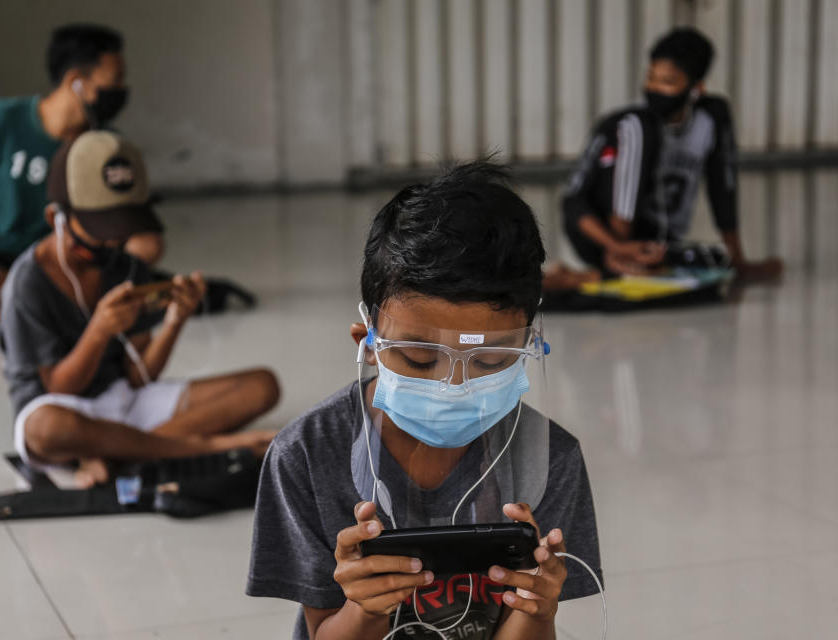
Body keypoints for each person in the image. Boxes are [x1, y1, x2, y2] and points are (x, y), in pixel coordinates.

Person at [247, 162, 601, 639]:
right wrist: (364, 608)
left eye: (491, 362)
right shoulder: (308, 456)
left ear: (527, 348)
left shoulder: (548, 460)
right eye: (418, 359)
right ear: (367, 343)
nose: (453, 387)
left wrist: (536, 609)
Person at [0, 130, 278, 487]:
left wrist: (176, 320)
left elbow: (139, 377)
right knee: (46, 429)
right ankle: (208, 447)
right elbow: (60, 390)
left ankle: (121, 455)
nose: (114, 239)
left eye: (122, 224)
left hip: (125, 403)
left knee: (261, 386)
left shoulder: (125, 263)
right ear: (57, 215)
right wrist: (99, 330)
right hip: (63, 411)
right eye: (102, 226)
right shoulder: (28, 283)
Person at [0, 24, 164, 321]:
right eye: (115, 80)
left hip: (58, 261)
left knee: (147, 245)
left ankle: (13, 303)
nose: (121, 91)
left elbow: (132, 229)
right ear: (76, 80)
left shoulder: (102, 144)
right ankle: (49, 303)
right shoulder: (1, 118)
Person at [561, 26, 782, 281]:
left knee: (714, 260)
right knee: (640, 129)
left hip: (657, 239)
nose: (653, 88)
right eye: (651, 78)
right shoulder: (631, 125)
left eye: (667, 82)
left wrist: (739, 261)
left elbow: (724, 189)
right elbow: (573, 203)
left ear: (696, 88)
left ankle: (635, 266)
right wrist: (618, 248)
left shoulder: (711, 119)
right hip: (598, 234)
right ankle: (601, 270)